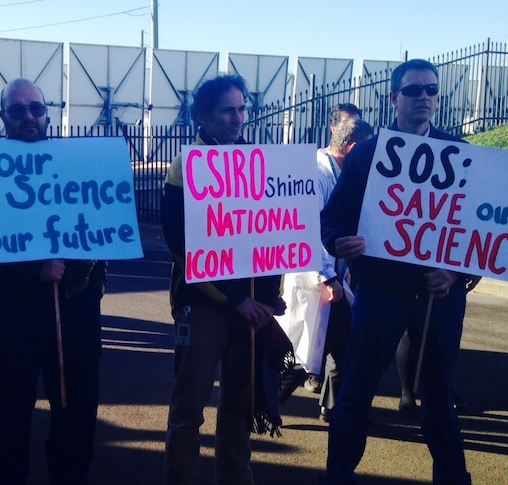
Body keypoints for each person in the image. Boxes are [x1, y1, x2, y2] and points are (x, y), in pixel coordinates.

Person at [319, 59, 473, 485]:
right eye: (413, 90)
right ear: (394, 98)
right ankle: (337, 475)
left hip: (437, 299)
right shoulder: (368, 153)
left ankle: (453, 477)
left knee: (439, 397)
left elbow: (477, 237)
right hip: (380, 293)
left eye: (431, 90)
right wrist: (339, 244)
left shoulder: (458, 153)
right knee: (356, 390)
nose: (423, 97)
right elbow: (333, 220)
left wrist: (456, 276)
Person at [0, 78, 107, 485]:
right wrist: (33, 271)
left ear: (48, 112)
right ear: (3, 116)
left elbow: (103, 224)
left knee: (77, 410)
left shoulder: (75, 163)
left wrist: (93, 284)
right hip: (12, 310)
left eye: (36, 108)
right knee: (9, 411)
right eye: (18, 109)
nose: (29, 116)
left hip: (75, 307)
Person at [161, 74, 283, 485]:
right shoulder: (184, 166)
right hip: (205, 306)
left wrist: (268, 300)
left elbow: (277, 236)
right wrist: (236, 302)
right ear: (203, 116)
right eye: (228, 110)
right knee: (188, 406)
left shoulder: (259, 163)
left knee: (240, 402)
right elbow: (181, 245)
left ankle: (236, 476)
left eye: (242, 109)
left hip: (253, 308)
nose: (238, 118)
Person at [280, 117, 373, 422]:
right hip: (316, 277)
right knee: (303, 353)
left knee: (342, 345)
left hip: (335, 276)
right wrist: (328, 276)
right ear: (355, 148)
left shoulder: (343, 174)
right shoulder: (314, 173)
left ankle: (333, 408)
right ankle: (264, 401)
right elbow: (307, 229)